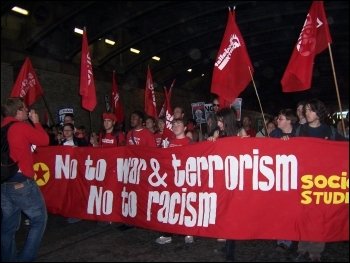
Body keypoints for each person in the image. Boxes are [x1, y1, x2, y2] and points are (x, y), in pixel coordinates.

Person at [295, 99, 345, 262]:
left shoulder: (329, 131)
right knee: (303, 215)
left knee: (319, 217)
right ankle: (302, 248)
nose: (306, 113)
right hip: (303, 180)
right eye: (306, 110)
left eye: (310, 110)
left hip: (321, 182)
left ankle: (316, 250)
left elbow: (344, 148)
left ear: (319, 113)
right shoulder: (300, 130)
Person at [1, 97, 49, 262]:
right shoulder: (20, 127)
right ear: (18, 111)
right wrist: (36, 123)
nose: (28, 111)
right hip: (22, 184)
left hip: (4, 185)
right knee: (39, 219)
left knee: (8, 228)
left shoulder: (2, 127)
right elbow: (44, 140)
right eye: (25, 109)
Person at [207, 107, 247, 261]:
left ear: (228, 120)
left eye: (220, 120)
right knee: (224, 213)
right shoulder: (218, 133)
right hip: (222, 180)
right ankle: (227, 246)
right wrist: (211, 141)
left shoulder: (240, 133)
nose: (218, 123)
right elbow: (211, 152)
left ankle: (231, 251)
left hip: (236, 179)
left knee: (232, 215)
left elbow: (248, 153)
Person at [155, 118, 194, 245]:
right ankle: (167, 233)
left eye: (179, 124)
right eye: (174, 124)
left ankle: (187, 232)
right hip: (170, 180)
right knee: (169, 205)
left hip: (183, 179)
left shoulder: (189, 142)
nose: (176, 126)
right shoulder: (168, 142)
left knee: (184, 205)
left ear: (185, 128)